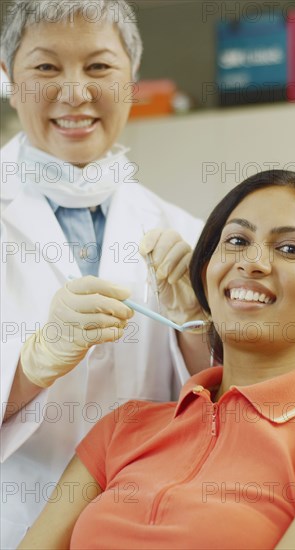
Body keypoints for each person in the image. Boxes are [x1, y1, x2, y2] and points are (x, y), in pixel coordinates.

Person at [17, 170, 295, 549]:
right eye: (236, 240)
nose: (251, 262)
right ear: (206, 270)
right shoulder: (123, 427)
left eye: (290, 249)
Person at [0, 1, 207, 547]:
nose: (75, 93)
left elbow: (220, 404)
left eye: (98, 67)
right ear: (7, 78)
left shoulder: (183, 229)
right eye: (46, 68)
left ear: (132, 79)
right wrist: (31, 367)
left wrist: (196, 326)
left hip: (139, 526)